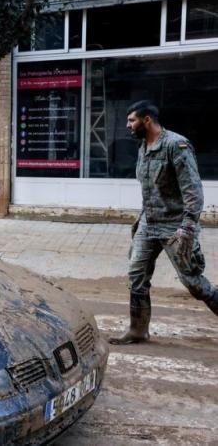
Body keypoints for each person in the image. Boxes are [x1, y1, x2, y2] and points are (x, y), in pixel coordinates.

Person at [111, 100, 218, 345]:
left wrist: (188, 227)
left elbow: (193, 190)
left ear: (147, 120)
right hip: (148, 224)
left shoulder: (175, 145)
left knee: (193, 283)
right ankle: (138, 330)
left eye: (132, 120)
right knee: (136, 276)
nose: (128, 125)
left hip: (175, 226)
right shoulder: (143, 146)